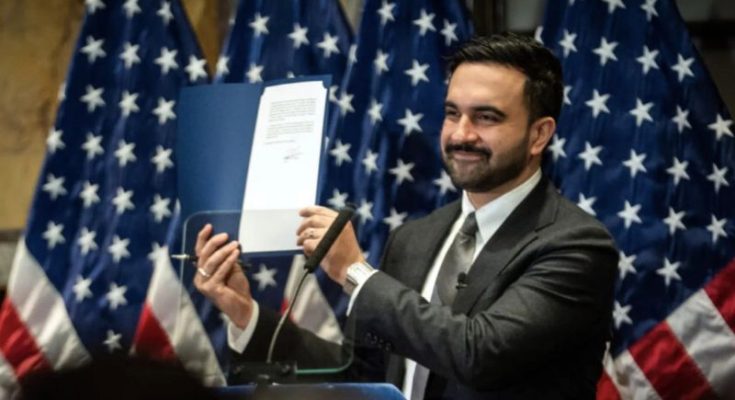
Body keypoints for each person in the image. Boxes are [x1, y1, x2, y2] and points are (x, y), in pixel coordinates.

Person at [194, 32, 619, 399]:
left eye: (486, 117)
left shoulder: (575, 244)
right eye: (452, 113)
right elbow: (360, 376)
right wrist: (244, 313)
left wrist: (355, 273)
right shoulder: (415, 239)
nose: (461, 134)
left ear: (539, 134)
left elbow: (480, 354)